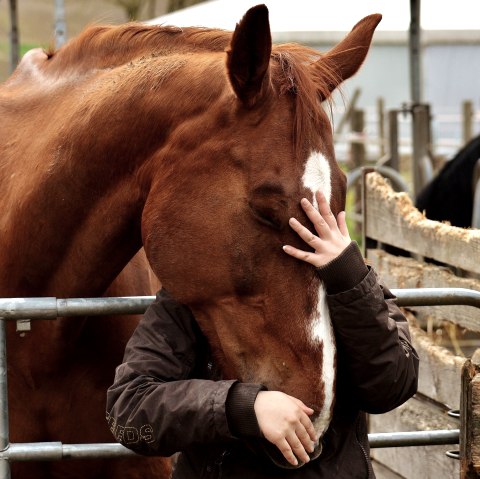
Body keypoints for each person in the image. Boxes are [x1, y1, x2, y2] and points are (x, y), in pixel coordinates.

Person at [106, 191, 419, 478]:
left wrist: (348, 277)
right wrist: (244, 408)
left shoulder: (341, 280)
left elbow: (392, 385)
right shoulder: (195, 291)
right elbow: (130, 406)